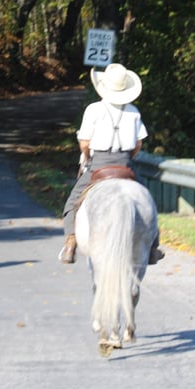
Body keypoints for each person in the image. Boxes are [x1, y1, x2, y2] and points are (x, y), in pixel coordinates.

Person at [58, 63, 165, 265]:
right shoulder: (133, 111)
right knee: (148, 201)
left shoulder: (94, 109)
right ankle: (153, 247)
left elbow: (85, 142)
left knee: (73, 202)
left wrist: (87, 157)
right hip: (125, 163)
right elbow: (138, 144)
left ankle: (70, 243)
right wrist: (128, 157)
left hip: (99, 163)